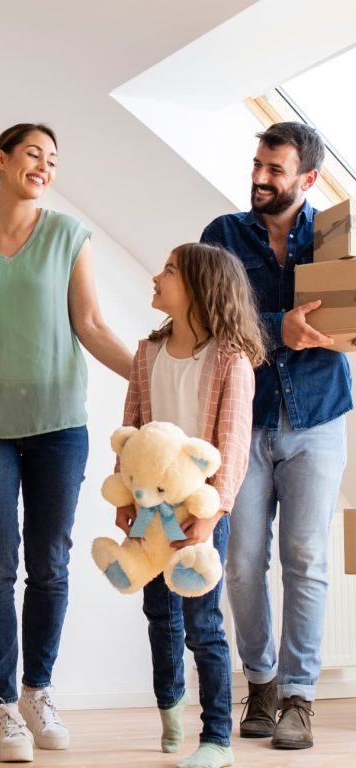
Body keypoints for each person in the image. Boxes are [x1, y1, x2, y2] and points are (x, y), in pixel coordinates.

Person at [0, 122, 132, 763]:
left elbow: (89, 324)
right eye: (34, 155)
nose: (44, 166)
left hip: (58, 423)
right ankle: (4, 707)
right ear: (2, 160)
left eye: (53, 159)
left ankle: (38, 691)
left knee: (50, 564)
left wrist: (147, 377)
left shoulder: (69, 235)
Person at [201, 121, 352, 750]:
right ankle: (260, 682)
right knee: (239, 563)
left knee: (308, 560)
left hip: (317, 417)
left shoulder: (338, 238)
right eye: (258, 165)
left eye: (276, 170)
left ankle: (299, 697)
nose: (260, 178)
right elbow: (207, 318)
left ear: (309, 178)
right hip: (245, 418)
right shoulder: (223, 235)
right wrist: (275, 327)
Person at [115, 243, 264, 768]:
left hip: (201, 512)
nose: (156, 276)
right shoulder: (146, 353)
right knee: (159, 612)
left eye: (170, 270)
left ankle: (218, 738)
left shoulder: (231, 360)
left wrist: (213, 512)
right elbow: (130, 431)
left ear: (201, 288)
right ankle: (169, 702)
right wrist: (122, 493)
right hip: (149, 507)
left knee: (203, 624)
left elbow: (235, 445)